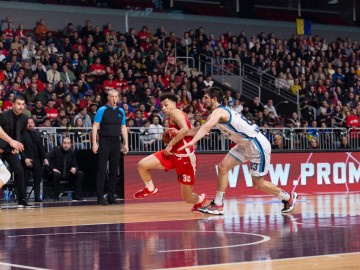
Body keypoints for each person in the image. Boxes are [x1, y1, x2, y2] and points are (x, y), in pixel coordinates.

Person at [180, 87, 297, 215]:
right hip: (243, 144)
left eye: (206, 98)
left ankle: (288, 198)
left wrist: (192, 142)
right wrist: (181, 134)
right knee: (223, 167)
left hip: (256, 144)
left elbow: (207, 127)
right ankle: (218, 205)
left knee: (258, 184)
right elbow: (199, 129)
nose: (203, 101)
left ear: (214, 99)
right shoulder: (214, 114)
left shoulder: (219, 112)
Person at [133, 92, 207, 212]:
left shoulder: (175, 112)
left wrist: (170, 145)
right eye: (162, 106)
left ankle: (201, 199)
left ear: (173, 104)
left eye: (166, 105)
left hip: (185, 157)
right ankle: (150, 189)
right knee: (142, 164)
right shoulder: (177, 115)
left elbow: (185, 129)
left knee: (188, 198)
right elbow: (190, 131)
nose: (163, 108)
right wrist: (202, 129)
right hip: (173, 154)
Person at [92, 90, 129, 205]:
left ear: (118, 98)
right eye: (112, 96)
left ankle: (111, 196)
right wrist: (94, 142)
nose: (114, 98)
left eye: (116, 96)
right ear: (108, 97)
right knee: (102, 170)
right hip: (104, 141)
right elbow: (95, 126)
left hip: (116, 142)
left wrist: (126, 143)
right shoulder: (102, 110)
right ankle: (99, 197)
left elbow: (123, 127)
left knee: (114, 170)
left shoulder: (121, 111)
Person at [0, 96, 30, 206]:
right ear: (13, 104)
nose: (21, 106)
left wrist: (16, 147)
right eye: (18, 104)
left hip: (10, 149)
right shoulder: (3, 115)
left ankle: (22, 199)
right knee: (2, 174)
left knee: (19, 171)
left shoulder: (25, 118)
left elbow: (21, 135)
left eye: (23, 104)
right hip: (0, 147)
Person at [21, 118, 47, 202]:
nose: (30, 124)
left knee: (37, 180)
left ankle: (37, 198)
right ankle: (23, 198)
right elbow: (21, 148)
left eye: (31, 123)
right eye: (28, 123)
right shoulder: (22, 134)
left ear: (34, 124)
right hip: (27, 160)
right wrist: (25, 158)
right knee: (24, 180)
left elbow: (41, 148)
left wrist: (44, 158)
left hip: (37, 160)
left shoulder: (37, 133)